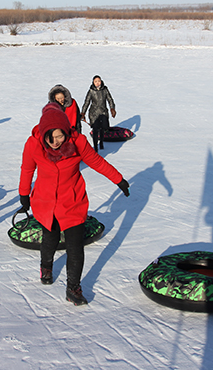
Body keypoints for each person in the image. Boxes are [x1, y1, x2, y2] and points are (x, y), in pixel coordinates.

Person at [18, 102, 130, 305]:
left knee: (75, 247)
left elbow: (96, 161)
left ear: (66, 131)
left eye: (59, 136)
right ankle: (46, 267)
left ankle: (73, 288)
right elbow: (27, 169)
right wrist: (24, 195)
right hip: (46, 202)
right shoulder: (33, 144)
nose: (55, 142)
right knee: (50, 238)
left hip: (72, 201)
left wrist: (118, 179)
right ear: (43, 133)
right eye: (49, 137)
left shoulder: (77, 142)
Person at [80, 75, 116, 152]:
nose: (97, 83)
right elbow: (87, 102)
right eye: (95, 81)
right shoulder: (91, 91)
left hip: (103, 112)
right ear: (93, 82)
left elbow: (110, 99)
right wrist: (83, 113)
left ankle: (102, 143)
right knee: (95, 130)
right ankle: (96, 147)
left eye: (98, 81)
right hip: (94, 113)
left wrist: (112, 108)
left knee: (103, 129)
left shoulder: (105, 90)